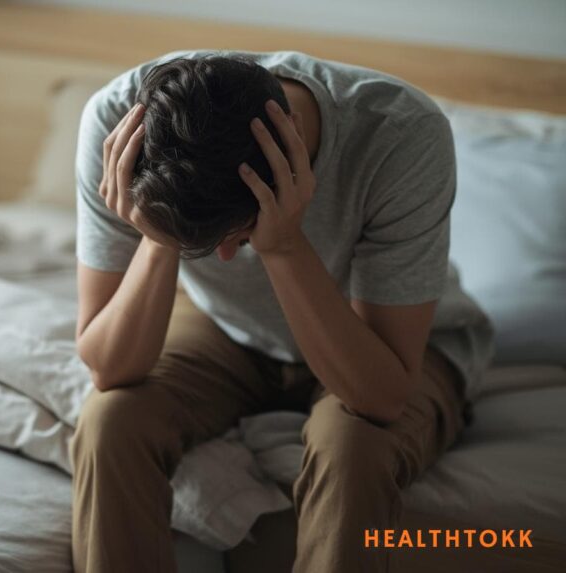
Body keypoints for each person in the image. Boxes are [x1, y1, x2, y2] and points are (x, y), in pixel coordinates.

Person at [70, 51, 493, 573]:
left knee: (353, 448)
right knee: (111, 420)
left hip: (385, 342)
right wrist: (160, 235)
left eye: (239, 237)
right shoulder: (120, 127)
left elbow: (380, 397)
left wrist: (283, 247)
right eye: (211, 245)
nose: (228, 258)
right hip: (225, 325)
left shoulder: (402, 134)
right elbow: (109, 368)